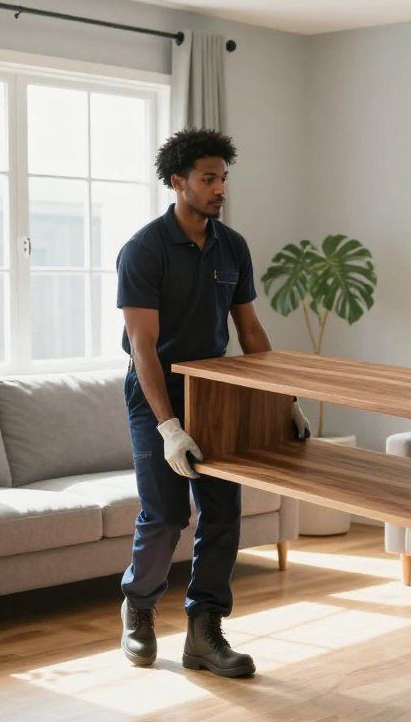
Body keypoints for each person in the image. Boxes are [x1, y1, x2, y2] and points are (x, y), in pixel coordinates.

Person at [116, 127, 311, 677]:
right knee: (168, 512)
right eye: (208, 178)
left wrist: (282, 399)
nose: (219, 188)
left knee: (223, 513)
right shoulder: (144, 250)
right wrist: (168, 427)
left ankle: (205, 630)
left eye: (222, 178)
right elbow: (143, 347)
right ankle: (140, 607)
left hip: (219, 392)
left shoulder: (233, 246)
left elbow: (250, 330)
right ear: (178, 182)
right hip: (157, 390)